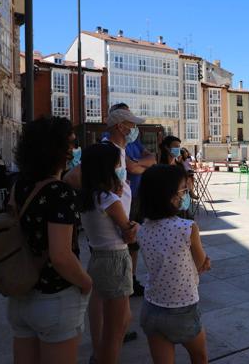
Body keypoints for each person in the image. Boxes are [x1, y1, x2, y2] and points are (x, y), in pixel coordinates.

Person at [8, 116, 93, 364]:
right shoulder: (59, 192)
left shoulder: (18, 186)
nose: (74, 150)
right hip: (55, 297)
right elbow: (61, 256)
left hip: (21, 293)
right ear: (57, 150)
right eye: (71, 144)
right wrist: (86, 282)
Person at [65, 103, 147, 355]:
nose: (134, 129)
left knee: (106, 303)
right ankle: (105, 347)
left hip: (105, 239)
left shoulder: (115, 155)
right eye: (132, 125)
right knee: (118, 321)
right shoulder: (105, 151)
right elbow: (71, 178)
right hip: (112, 241)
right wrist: (106, 192)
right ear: (121, 126)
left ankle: (102, 346)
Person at [138, 164, 210, 364]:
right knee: (199, 356)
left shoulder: (142, 229)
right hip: (183, 308)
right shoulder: (187, 228)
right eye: (183, 190)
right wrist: (204, 263)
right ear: (170, 196)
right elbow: (201, 262)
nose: (186, 194)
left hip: (152, 307)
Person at [80, 142, 139, 364]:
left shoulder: (90, 197)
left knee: (116, 321)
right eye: (117, 165)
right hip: (115, 260)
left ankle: (99, 356)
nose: (120, 169)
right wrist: (133, 225)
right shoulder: (110, 200)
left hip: (98, 257)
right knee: (117, 328)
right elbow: (129, 234)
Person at [125, 130, 156, 297]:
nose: (133, 128)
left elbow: (152, 158)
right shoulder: (112, 143)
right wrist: (143, 165)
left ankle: (132, 278)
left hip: (137, 196)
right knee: (125, 238)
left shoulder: (134, 141)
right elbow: (131, 168)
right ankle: (125, 279)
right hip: (124, 198)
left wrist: (137, 163)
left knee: (135, 242)